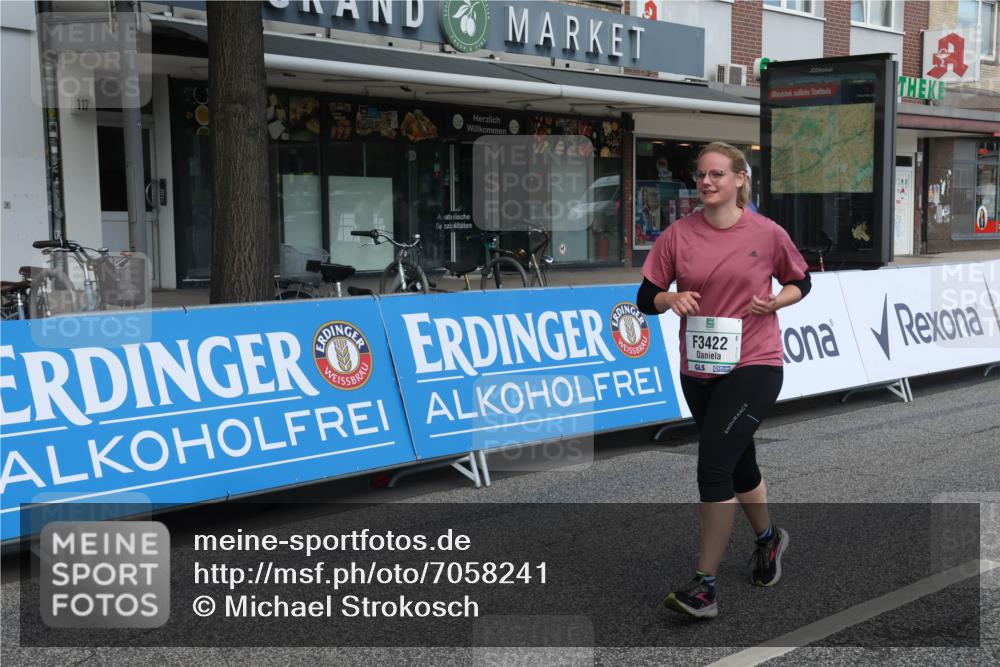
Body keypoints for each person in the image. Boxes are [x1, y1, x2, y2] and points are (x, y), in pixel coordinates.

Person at [635, 142, 811, 619]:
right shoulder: (677, 235)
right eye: (700, 175)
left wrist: (778, 301)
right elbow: (645, 295)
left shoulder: (767, 232)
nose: (706, 183)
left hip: (755, 363)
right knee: (738, 465)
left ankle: (705, 586)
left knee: (713, 466)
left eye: (716, 174)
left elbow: (801, 280)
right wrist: (669, 302)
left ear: (739, 180)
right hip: (699, 369)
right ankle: (770, 539)